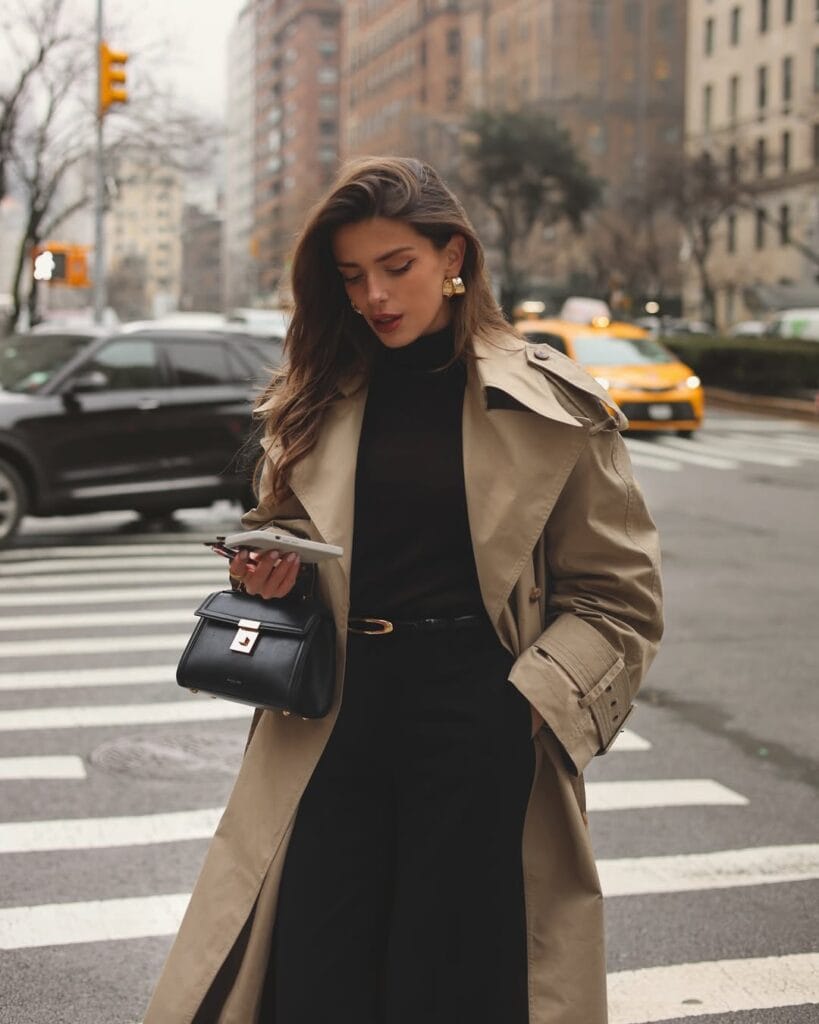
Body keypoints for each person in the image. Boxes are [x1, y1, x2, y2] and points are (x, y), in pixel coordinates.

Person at [144, 157, 663, 1024]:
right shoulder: (315, 396)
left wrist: (527, 706)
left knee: (452, 979)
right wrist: (273, 578)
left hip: (477, 717)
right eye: (351, 276)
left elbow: (619, 599)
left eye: (397, 267)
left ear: (452, 255)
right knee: (316, 967)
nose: (373, 296)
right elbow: (303, 541)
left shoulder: (547, 405)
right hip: (333, 717)